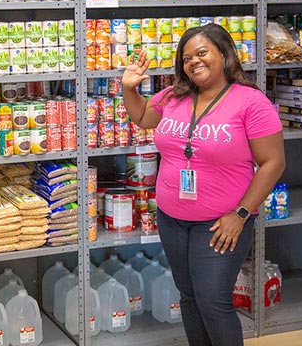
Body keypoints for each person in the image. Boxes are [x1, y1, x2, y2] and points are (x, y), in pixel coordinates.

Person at [122, 24, 285, 346]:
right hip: (172, 218)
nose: (193, 62)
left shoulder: (251, 102)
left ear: (224, 55)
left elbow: (273, 163)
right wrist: (129, 88)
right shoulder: (173, 96)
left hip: (220, 223)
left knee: (213, 302)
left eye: (201, 53)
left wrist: (240, 215)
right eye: (186, 58)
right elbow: (141, 117)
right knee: (190, 297)